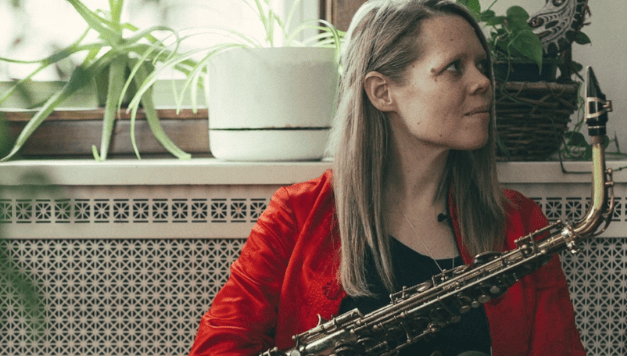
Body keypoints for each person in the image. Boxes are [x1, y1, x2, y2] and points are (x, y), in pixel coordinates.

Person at [189, 0, 586, 355]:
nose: (483, 82)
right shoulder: (297, 215)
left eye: (483, 66)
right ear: (382, 92)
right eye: (453, 68)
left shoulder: (520, 222)